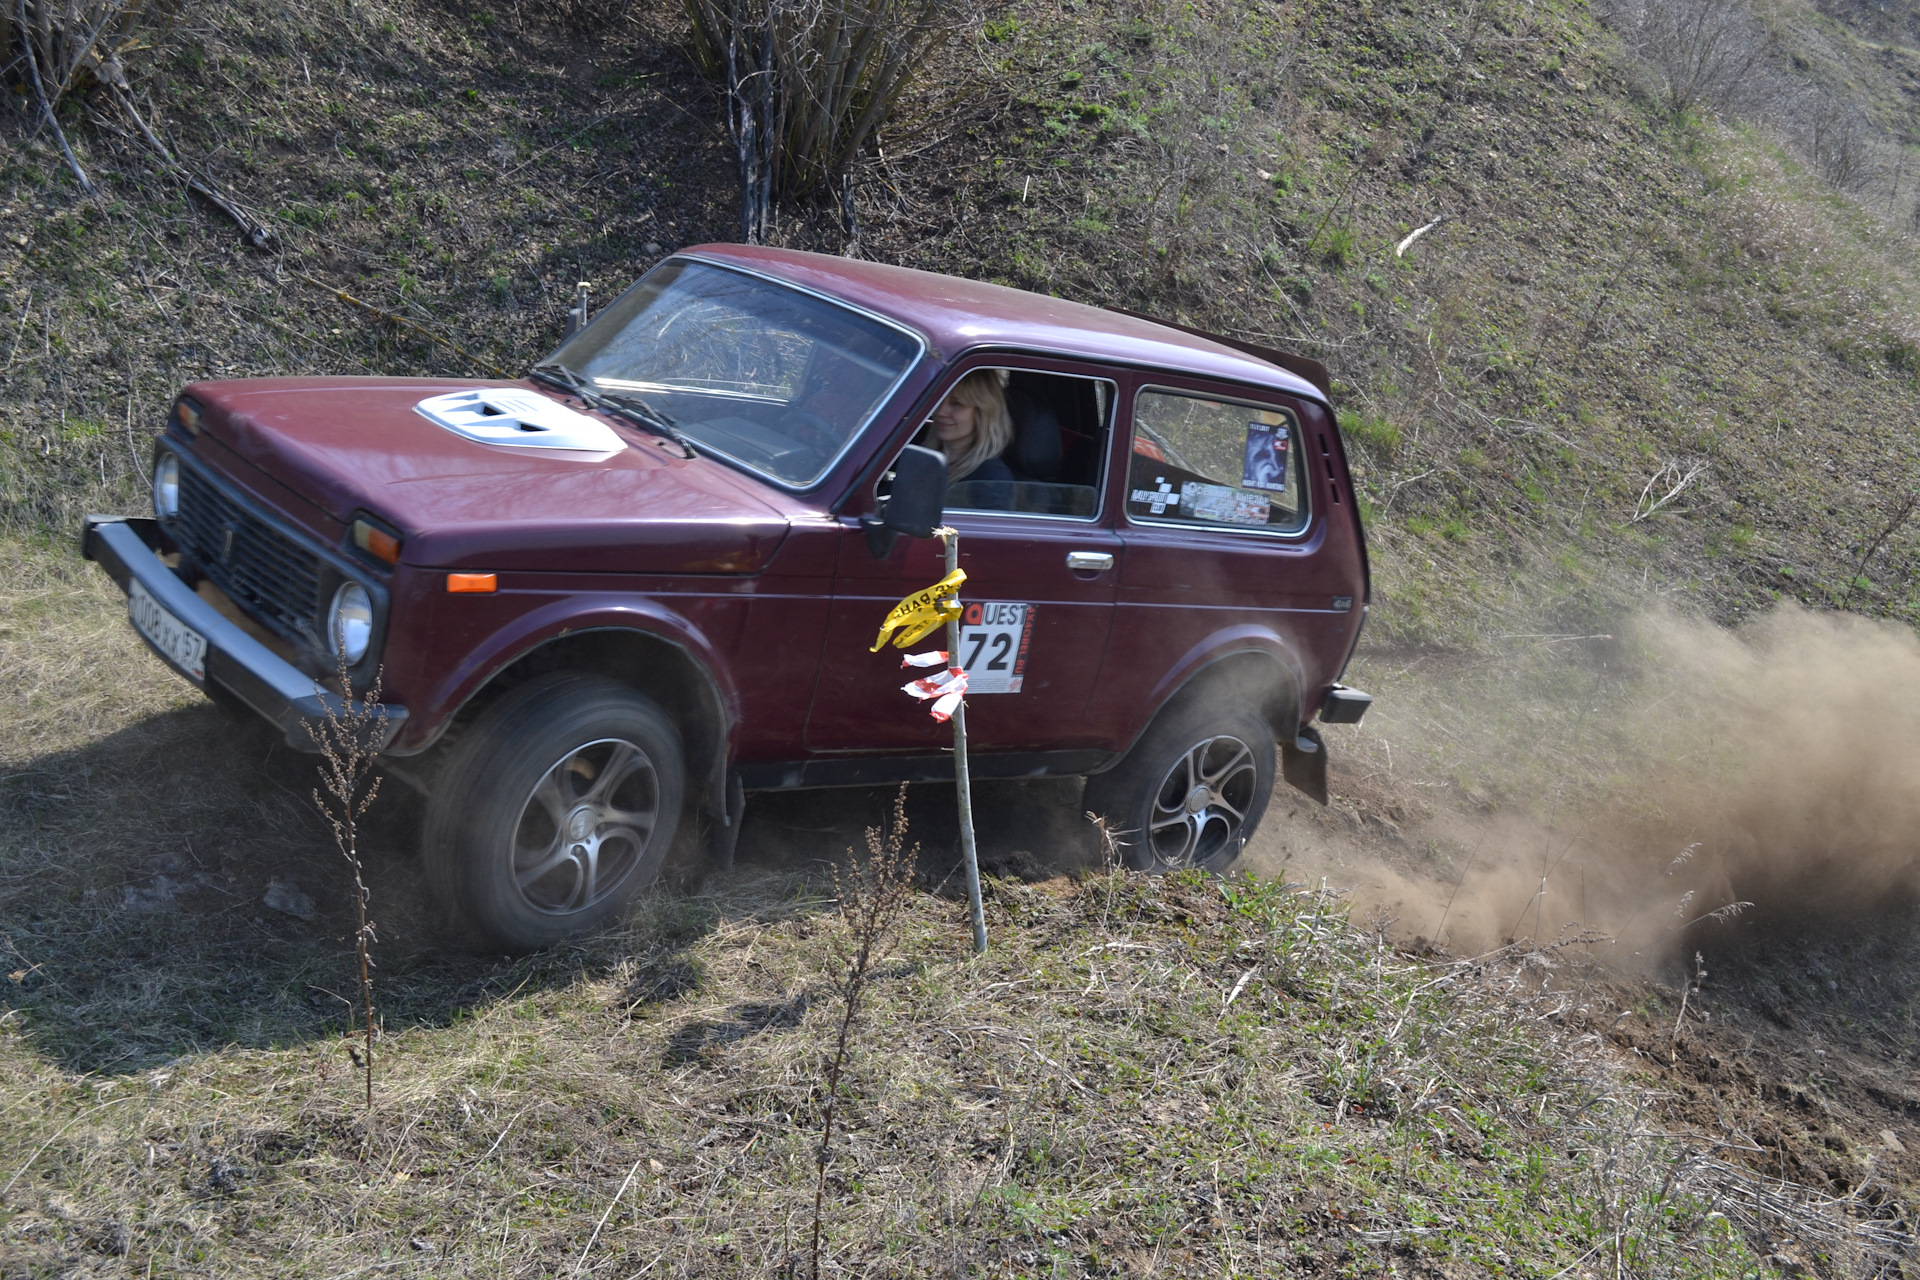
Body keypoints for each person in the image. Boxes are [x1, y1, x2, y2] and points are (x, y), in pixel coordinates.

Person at [923, 369, 1016, 485]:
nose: (940, 411)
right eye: (939, 400)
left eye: (956, 404)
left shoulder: (991, 477)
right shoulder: (922, 457)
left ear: (983, 413)